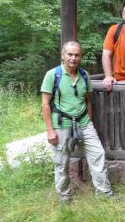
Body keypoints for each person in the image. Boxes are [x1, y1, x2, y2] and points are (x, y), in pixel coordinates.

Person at [41, 41, 115, 204]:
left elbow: (88, 100)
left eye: (76, 55)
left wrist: (89, 121)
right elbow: (45, 104)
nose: (73, 58)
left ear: (81, 56)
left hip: (83, 123)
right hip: (61, 125)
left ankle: (103, 193)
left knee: (98, 154)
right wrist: (50, 130)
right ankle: (65, 196)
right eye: (70, 54)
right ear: (63, 55)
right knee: (61, 162)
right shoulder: (53, 75)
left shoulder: (84, 75)